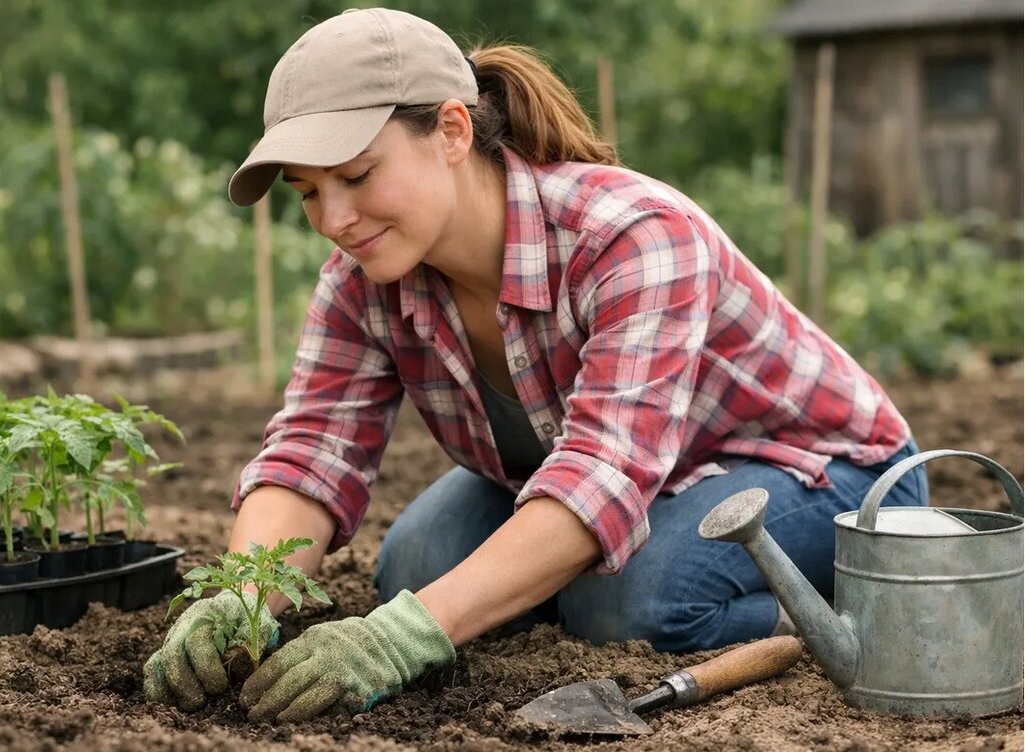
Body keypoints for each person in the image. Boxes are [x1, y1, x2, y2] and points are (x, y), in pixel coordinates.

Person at [143, 7, 928, 723]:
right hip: (607, 476)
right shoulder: (362, 282)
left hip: (819, 472)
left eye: (356, 175)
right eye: (307, 192)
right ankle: (561, 579)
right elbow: (312, 449)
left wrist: (403, 639)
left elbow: (601, 475)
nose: (335, 220)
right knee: (411, 568)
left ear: (452, 132)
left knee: (630, 604)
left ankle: (823, 615)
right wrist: (241, 600)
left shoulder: (631, 234)